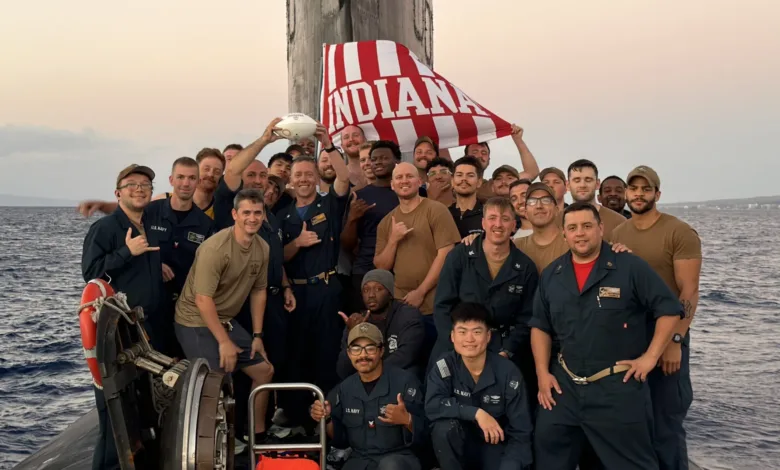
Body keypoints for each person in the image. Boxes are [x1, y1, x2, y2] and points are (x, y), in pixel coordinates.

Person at [530, 202, 684, 469]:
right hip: (563, 388)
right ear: (563, 233)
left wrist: (650, 358)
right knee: (547, 458)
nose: (580, 233)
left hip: (617, 389)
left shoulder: (630, 266)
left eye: (587, 226)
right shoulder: (552, 275)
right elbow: (540, 326)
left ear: (601, 228)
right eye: (572, 228)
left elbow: (669, 310)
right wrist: (542, 374)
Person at [611, 165, 702, 470]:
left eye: (646, 189)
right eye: (634, 189)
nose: (639, 194)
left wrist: (675, 340)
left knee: (666, 423)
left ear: (657, 194)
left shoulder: (679, 231)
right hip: (631, 336)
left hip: (667, 334)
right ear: (627, 193)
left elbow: (689, 291)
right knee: (633, 422)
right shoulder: (618, 233)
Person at [174, 188, 275, 442]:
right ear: (234, 214)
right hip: (194, 320)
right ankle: (216, 448)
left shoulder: (262, 247)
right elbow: (202, 300)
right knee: (217, 382)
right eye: (246, 213)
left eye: (257, 213)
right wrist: (223, 342)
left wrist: (257, 336)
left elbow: (259, 291)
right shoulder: (215, 248)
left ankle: (256, 437)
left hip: (225, 320)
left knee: (264, 371)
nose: (252, 218)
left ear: (264, 215)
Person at [81, 164, 164, 470]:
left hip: (147, 330)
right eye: (132, 184)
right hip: (118, 334)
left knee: (141, 410)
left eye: (145, 185)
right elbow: (91, 274)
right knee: (114, 414)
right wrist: (127, 252)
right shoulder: (104, 229)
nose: (139, 188)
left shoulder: (150, 225)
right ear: (118, 193)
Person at [278, 125, 351, 427]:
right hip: (294, 295)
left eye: (309, 174)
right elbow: (276, 258)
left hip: (325, 289)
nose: (304, 179)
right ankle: (297, 420)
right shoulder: (281, 215)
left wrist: (328, 146)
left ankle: (328, 424)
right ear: (291, 180)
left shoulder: (329, 204)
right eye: (298, 175)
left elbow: (344, 178)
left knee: (326, 357)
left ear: (317, 176)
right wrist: (297, 243)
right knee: (295, 356)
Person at [432, 197, 539, 402]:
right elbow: (442, 306)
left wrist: (507, 351)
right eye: (492, 218)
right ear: (483, 223)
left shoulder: (525, 267)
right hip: (457, 345)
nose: (498, 224)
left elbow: (527, 318)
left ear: (514, 225)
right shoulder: (459, 256)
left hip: (502, 349)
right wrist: (457, 345)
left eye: (505, 219)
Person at [426, 302, 533, 470]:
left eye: (477, 332)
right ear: (452, 336)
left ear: (488, 336)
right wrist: (476, 413)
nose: (469, 339)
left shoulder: (508, 372)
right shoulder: (444, 366)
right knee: (443, 429)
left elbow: (520, 432)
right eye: (462, 332)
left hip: (496, 446)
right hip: (459, 447)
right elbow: (433, 405)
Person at [310, 323, 426, 470]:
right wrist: (326, 418)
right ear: (349, 353)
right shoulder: (345, 388)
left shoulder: (405, 381)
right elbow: (341, 441)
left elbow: (428, 434)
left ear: (381, 350)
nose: (363, 355)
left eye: (370, 348)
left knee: (390, 466)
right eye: (356, 349)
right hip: (360, 459)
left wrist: (407, 420)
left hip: (400, 459)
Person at [374, 162, 461, 344]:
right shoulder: (386, 222)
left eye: (409, 176)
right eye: (399, 177)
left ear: (419, 181)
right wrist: (393, 240)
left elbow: (446, 254)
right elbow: (381, 267)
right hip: (402, 307)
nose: (404, 181)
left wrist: (420, 292)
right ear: (392, 184)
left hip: (436, 305)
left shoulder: (436, 210)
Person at [341, 140, 402, 312]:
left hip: (402, 271)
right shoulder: (358, 196)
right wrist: (352, 219)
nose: (377, 162)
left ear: (397, 161)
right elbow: (346, 244)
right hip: (366, 270)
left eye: (384, 158)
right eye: (374, 159)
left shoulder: (409, 192)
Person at [336, 269, 425, 380]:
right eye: (366, 290)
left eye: (378, 289)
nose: (371, 295)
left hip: (397, 378)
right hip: (365, 380)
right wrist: (353, 333)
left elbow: (407, 356)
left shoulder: (408, 315)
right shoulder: (357, 322)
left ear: (390, 294)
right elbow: (343, 371)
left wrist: (371, 373)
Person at [469, 125, 539, 200]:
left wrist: (518, 139)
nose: (480, 155)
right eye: (474, 152)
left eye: (484, 153)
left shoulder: (488, 186)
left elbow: (531, 172)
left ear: (489, 160)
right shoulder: (460, 183)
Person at [513, 182, 569, 274]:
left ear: (556, 210)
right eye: (532, 201)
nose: (539, 206)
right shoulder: (517, 246)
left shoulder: (570, 242)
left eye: (545, 200)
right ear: (526, 213)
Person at [565, 159, 626, 239]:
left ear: (597, 184)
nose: (582, 185)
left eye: (588, 180)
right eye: (577, 180)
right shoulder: (557, 221)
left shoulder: (619, 222)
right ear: (568, 185)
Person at [448, 156, 485, 239]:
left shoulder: (488, 214)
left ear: (479, 182)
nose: (464, 179)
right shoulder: (444, 214)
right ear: (452, 181)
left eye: (470, 175)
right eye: (459, 175)